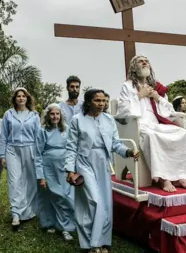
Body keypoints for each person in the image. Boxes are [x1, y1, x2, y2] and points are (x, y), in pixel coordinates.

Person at [65, 89, 139, 253]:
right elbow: (71, 147)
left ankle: (100, 243)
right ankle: (90, 242)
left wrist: (127, 151)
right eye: (97, 100)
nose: (102, 104)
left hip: (103, 163)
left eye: (104, 101)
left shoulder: (108, 119)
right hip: (84, 162)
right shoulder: (77, 120)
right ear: (89, 102)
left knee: (104, 203)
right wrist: (70, 170)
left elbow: (115, 144)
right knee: (93, 201)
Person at [116, 55, 186, 192]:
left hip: (155, 123)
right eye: (140, 61)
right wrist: (139, 95)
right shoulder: (127, 86)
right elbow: (123, 111)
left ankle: (180, 176)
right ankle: (163, 179)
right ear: (133, 67)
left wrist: (156, 97)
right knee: (151, 136)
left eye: (146, 61)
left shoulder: (155, 86)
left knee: (183, 134)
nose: (144, 63)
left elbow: (168, 110)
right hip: (138, 124)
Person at [0, 87, 40, 231]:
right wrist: (2, 155)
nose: (21, 98)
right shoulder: (8, 114)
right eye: (18, 96)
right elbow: (3, 136)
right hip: (12, 149)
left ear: (27, 98)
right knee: (14, 181)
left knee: (30, 181)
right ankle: (16, 213)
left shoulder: (34, 115)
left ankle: (28, 211)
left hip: (30, 149)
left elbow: (38, 137)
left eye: (23, 96)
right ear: (15, 99)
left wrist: (38, 155)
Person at [35, 103, 75, 241]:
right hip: (48, 167)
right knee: (53, 195)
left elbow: (72, 149)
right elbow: (38, 154)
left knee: (65, 195)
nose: (55, 116)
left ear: (61, 115)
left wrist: (72, 167)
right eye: (52, 114)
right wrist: (41, 176)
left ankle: (66, 225)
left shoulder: (67, 129)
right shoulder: (42, 131)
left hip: (64, 167)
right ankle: (55, 224)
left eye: (57, 114)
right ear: (48, 115)